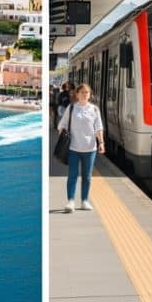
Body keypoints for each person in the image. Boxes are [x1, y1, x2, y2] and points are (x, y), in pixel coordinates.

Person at [56, 82, 104, 212]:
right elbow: (61, 125)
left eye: (86, 92)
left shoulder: (94, 109)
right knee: (73, 175)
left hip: (90, 148)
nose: (84, 94)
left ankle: (84, 201)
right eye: (81, 92)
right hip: (73, 148)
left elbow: (98, 128)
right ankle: (71, 201)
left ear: (90, 95)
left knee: (87, 176)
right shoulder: (71, 108)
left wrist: (101, 143)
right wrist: (63, 132)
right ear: (77, 94)